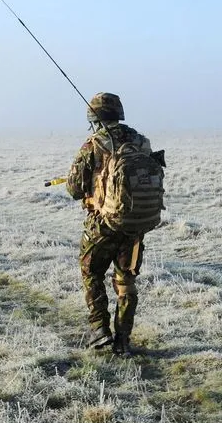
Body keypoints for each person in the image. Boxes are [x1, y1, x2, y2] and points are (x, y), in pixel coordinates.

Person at [66, 92, 163, 355]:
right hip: (134, 226)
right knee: (126, 282)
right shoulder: (141, 142)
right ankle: (123, 340)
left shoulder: (94, 144)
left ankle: (99, 330)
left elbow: (74, 188)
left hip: (103, 224)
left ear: (93, 118)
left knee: (91, 271)